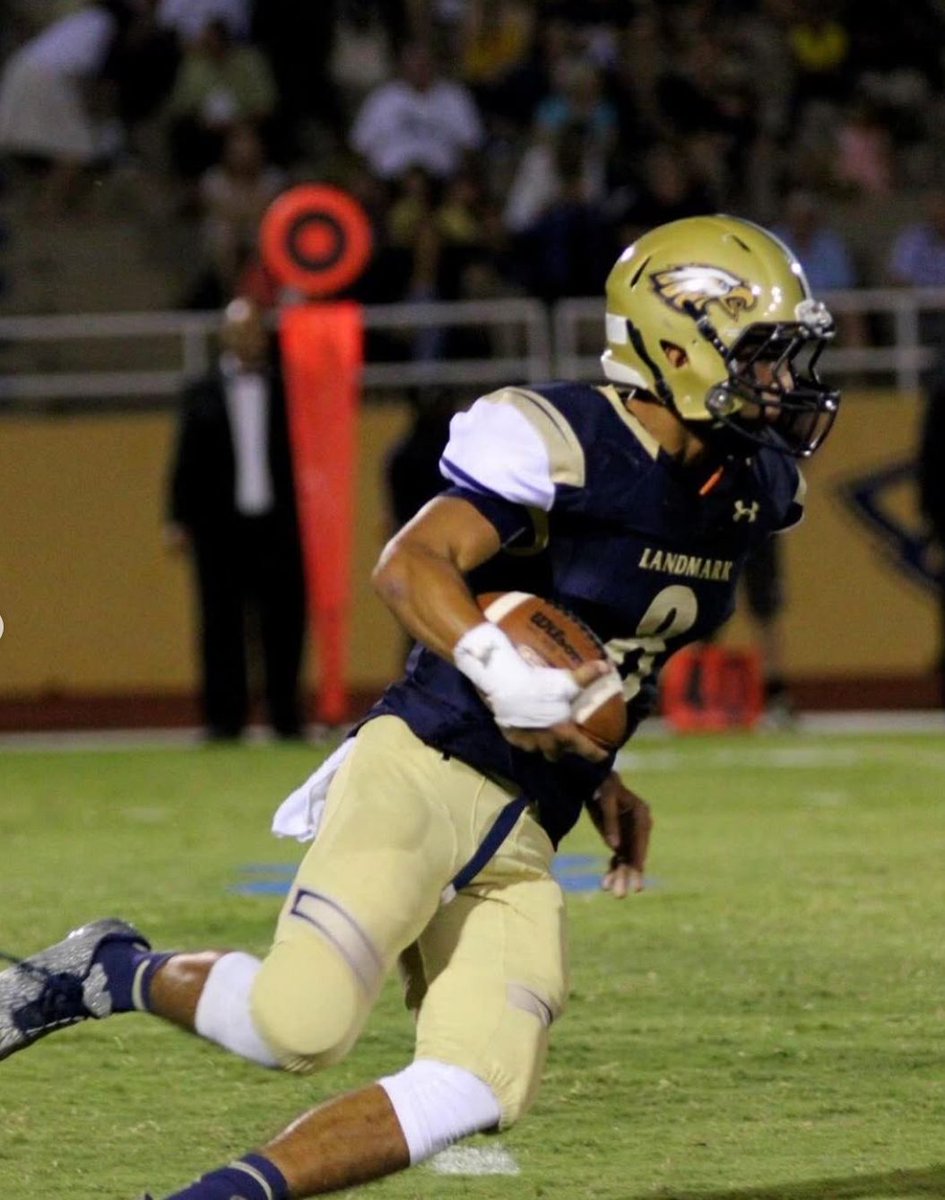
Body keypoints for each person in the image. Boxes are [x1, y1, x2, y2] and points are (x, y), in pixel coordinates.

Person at [0, 215, 841, 1199]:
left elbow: (607, 644)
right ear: (676, 340)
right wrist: (497, 664)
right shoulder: (570, 438)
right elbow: (411, 565)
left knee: (480, 1080)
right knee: (297, 1026)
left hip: (534, 816)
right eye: (767, 356)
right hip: (430, 760)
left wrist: (602, 770)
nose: (789, 383)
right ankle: (104, 969)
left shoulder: (745, 484)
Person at [165, 296, 306, 741]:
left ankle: (286, 718)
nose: (248, 339)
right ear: (225, 336)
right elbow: (183, 459)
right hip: (219, 529)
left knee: (283, 625)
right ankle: (223, 721)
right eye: (239, 331)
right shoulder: (200, 392)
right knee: (220, 625)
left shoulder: (291, 390)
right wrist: (177, 519)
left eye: (254, 331)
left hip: (279, 526)